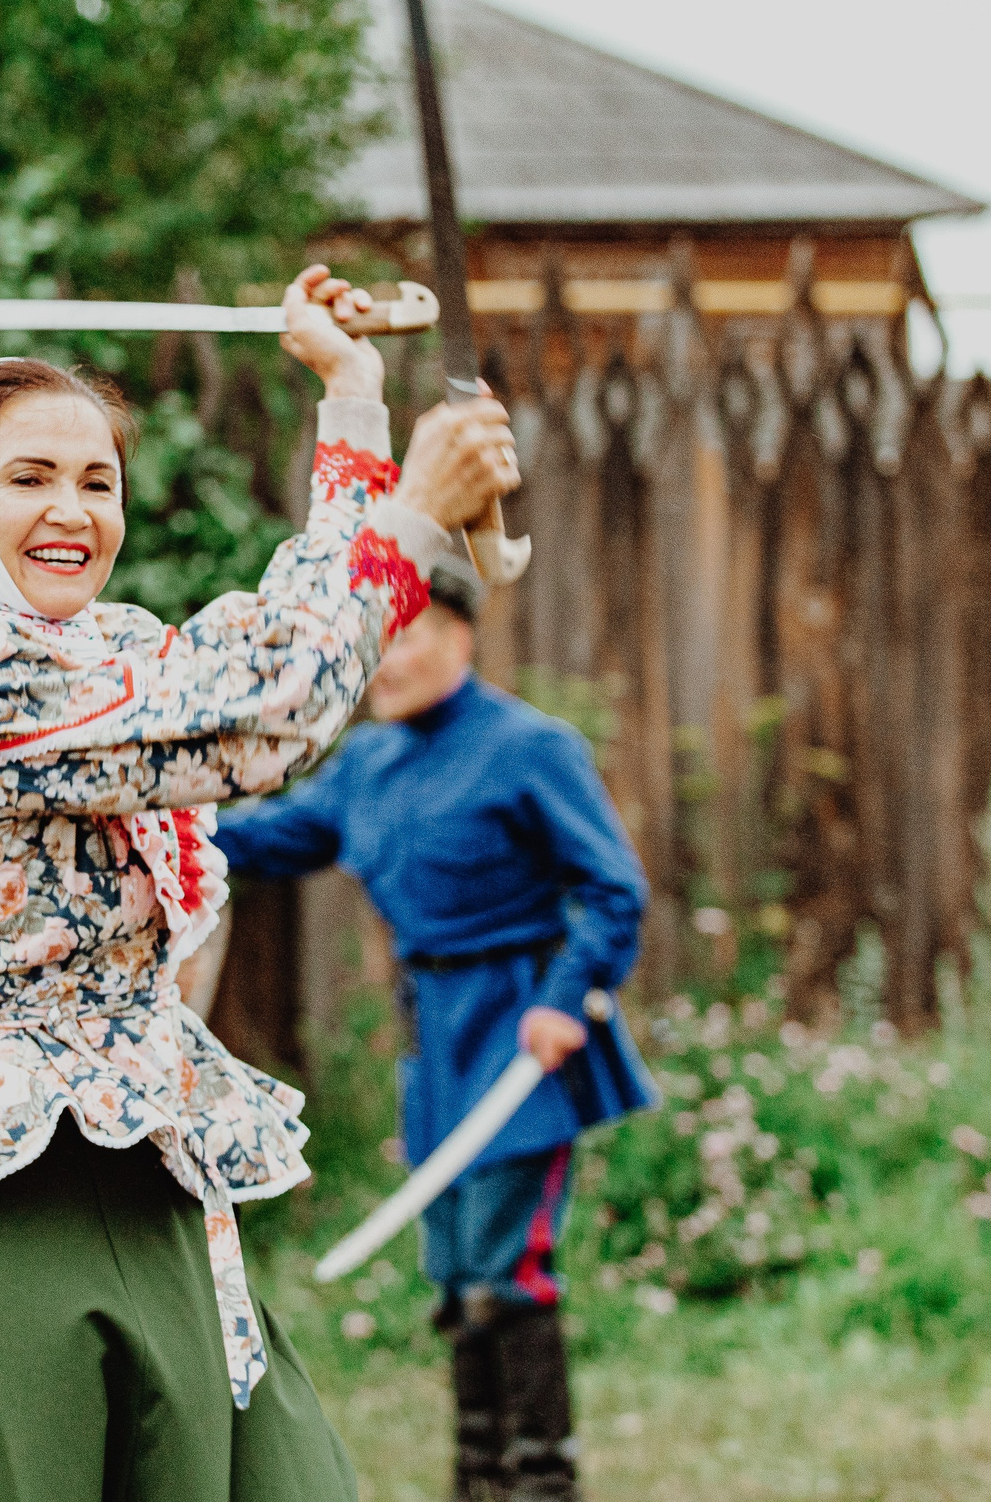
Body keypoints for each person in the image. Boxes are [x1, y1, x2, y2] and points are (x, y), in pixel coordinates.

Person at [0, 266, 524, 1502]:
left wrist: (352, 399)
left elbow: (266, 651)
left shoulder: (105, 650)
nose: (73, 509)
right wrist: (412, 526)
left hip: (140, 1156)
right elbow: (251, 720)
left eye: (97, 480)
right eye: (29, 477)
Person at [211, 561, 656, 1501]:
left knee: (508, 1268)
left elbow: (612, 888)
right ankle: (477, 1481)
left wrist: (565, 997)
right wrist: (157, 813)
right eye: (378, 642)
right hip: (435, 1043)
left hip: (520, 1034)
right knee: (455, 1278)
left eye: (407, 634)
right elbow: (271, 834)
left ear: (460, 634)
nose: (389, 661)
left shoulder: (531, 747)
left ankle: (541, 1487)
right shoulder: (369, 762)